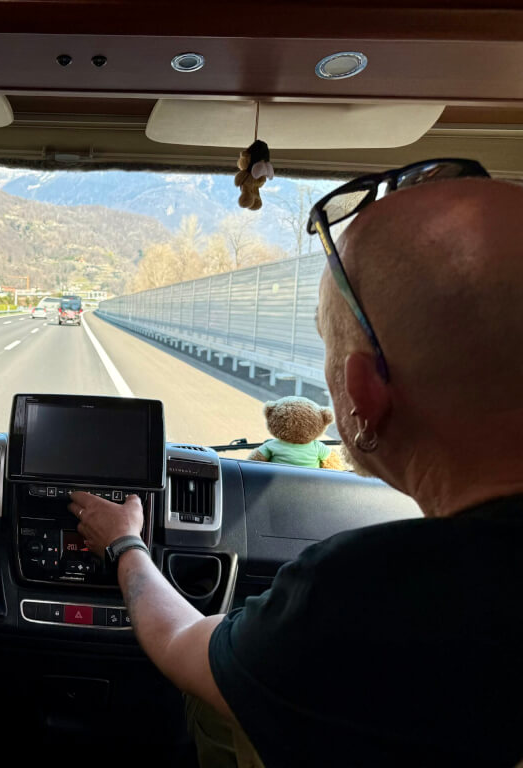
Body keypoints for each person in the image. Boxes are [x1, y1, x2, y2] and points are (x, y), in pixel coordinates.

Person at [68, 163, 523, 767]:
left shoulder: (363, 595)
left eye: (328, 345)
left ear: (361, 393)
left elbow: (180, 640)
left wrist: (126, 544)